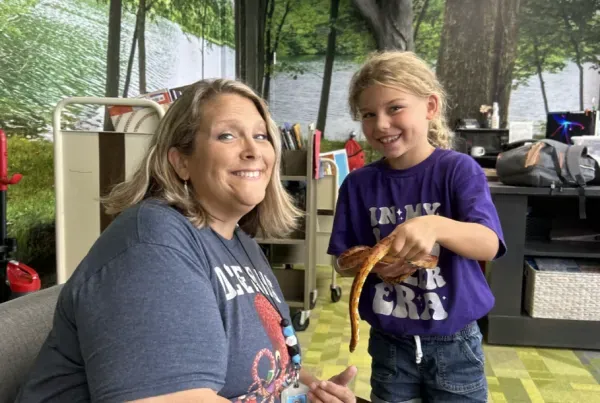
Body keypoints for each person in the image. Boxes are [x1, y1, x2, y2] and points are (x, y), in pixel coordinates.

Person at [16, 78, 357, 403]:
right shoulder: (151, 244)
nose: (254, 150)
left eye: (261, 135)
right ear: (181, 162)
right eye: (227, 136)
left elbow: (272, 370)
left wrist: (309, 388)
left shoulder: (242, 244)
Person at [327, 51, 506, 403]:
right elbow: (340, 262)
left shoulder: (458, 171)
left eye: (395, 108)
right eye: (368, 114)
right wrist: (373, 264)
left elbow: (488, 244)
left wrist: (436, 225)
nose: (381, 124)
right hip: (390, 344)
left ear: (430, 106)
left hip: (456, 344)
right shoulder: (358, 184)